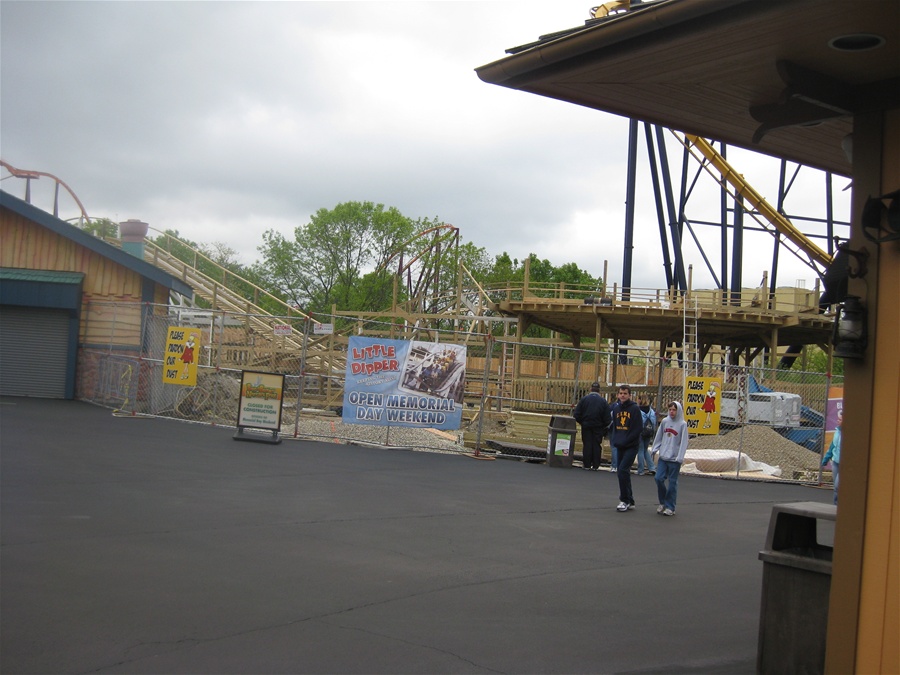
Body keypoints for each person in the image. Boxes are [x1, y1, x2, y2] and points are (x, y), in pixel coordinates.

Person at [609, 384, 644, 512]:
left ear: (629, 395)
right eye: (620, 393)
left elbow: (638, 428)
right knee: (623, 472)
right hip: (620, 444)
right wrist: (615, 439)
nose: (622, 395)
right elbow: (614, 426)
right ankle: (630, 499)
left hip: (631, 445)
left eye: (625, 393)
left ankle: (624, 500)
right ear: (618, 395)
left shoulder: (634, 409)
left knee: (622, 470)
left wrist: (627, 439)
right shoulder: (616, 409)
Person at [652, 401, 689, 516]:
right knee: (658, 478)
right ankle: (662, 502)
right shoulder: (665, 422)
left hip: (674, 459)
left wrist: (680, 457)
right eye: (670, 410)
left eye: (674, 410)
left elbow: (684, 442)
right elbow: (659, 436)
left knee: (672, 482)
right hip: (663, 456)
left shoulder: (682, 424)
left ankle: (670, 506)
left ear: (678, 411)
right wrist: (655, 448)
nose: (672, 412)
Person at [572, 382, 612, 471]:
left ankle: (587, 464)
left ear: (590, 389)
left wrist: (583, 422)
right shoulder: (603, 402)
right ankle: (595, 465)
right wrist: (603, 426)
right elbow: (608, 419)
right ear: (599, 391)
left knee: (587, 444)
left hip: (586, 426)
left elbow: (577, 414)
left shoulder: (584, 400)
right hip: (598, 427)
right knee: (597, 445)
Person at [822, 410, 842, 505]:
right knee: (835, 487)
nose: (838, 421)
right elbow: (832, 447)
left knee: (838, 485)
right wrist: (826, 459)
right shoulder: (837, 432)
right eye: (838, 419)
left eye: (840, 419)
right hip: (835, 462)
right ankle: (835, 506)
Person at [637, 395, 657, 475]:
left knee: (640, 450)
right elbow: (654, 421)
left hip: (640, 432)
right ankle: (652, 467)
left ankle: (640, 470)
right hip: (649, 432)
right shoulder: (651, 411)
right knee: (645, 450)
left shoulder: (638, 410)